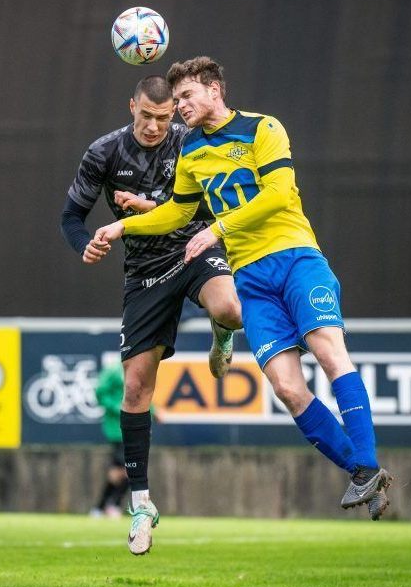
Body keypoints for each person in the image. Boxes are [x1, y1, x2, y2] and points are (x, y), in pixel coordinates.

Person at [94, 56, 392, 520]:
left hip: (295, 258)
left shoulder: (262, 128)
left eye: (187, 96)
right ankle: (363, 472)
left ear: (214, 90)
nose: (180, 106)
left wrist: (216, 230)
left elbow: (278, 193)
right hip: (250, 278)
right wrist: (123, 227)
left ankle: (367, 464)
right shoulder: (191, 151)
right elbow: (177, 211)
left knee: (330, 353)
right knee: (288, 388)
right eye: (177, 99)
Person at [60, 75, 242, 554]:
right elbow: (71, 217)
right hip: (144, 271)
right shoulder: (104, 152)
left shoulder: (189, 141)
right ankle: (141, 505)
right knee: (137, 388)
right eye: (147, 116)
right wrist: (85, 244)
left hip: (194, 248)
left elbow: (210, 203)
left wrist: (147, 207)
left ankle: (222, 331)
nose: (156, 126)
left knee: (231, 307)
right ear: (132, 108)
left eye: (163, 117)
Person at [90, 359, 128, 518]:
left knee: (119, 470)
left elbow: (141, 396)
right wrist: (117, 407)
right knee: (127, 468)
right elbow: (100, 392)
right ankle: (110, 505)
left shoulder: (138, 368)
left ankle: (102, 507)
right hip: (117, 429)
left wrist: (152, 411)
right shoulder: (114, 370)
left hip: (134, 428)